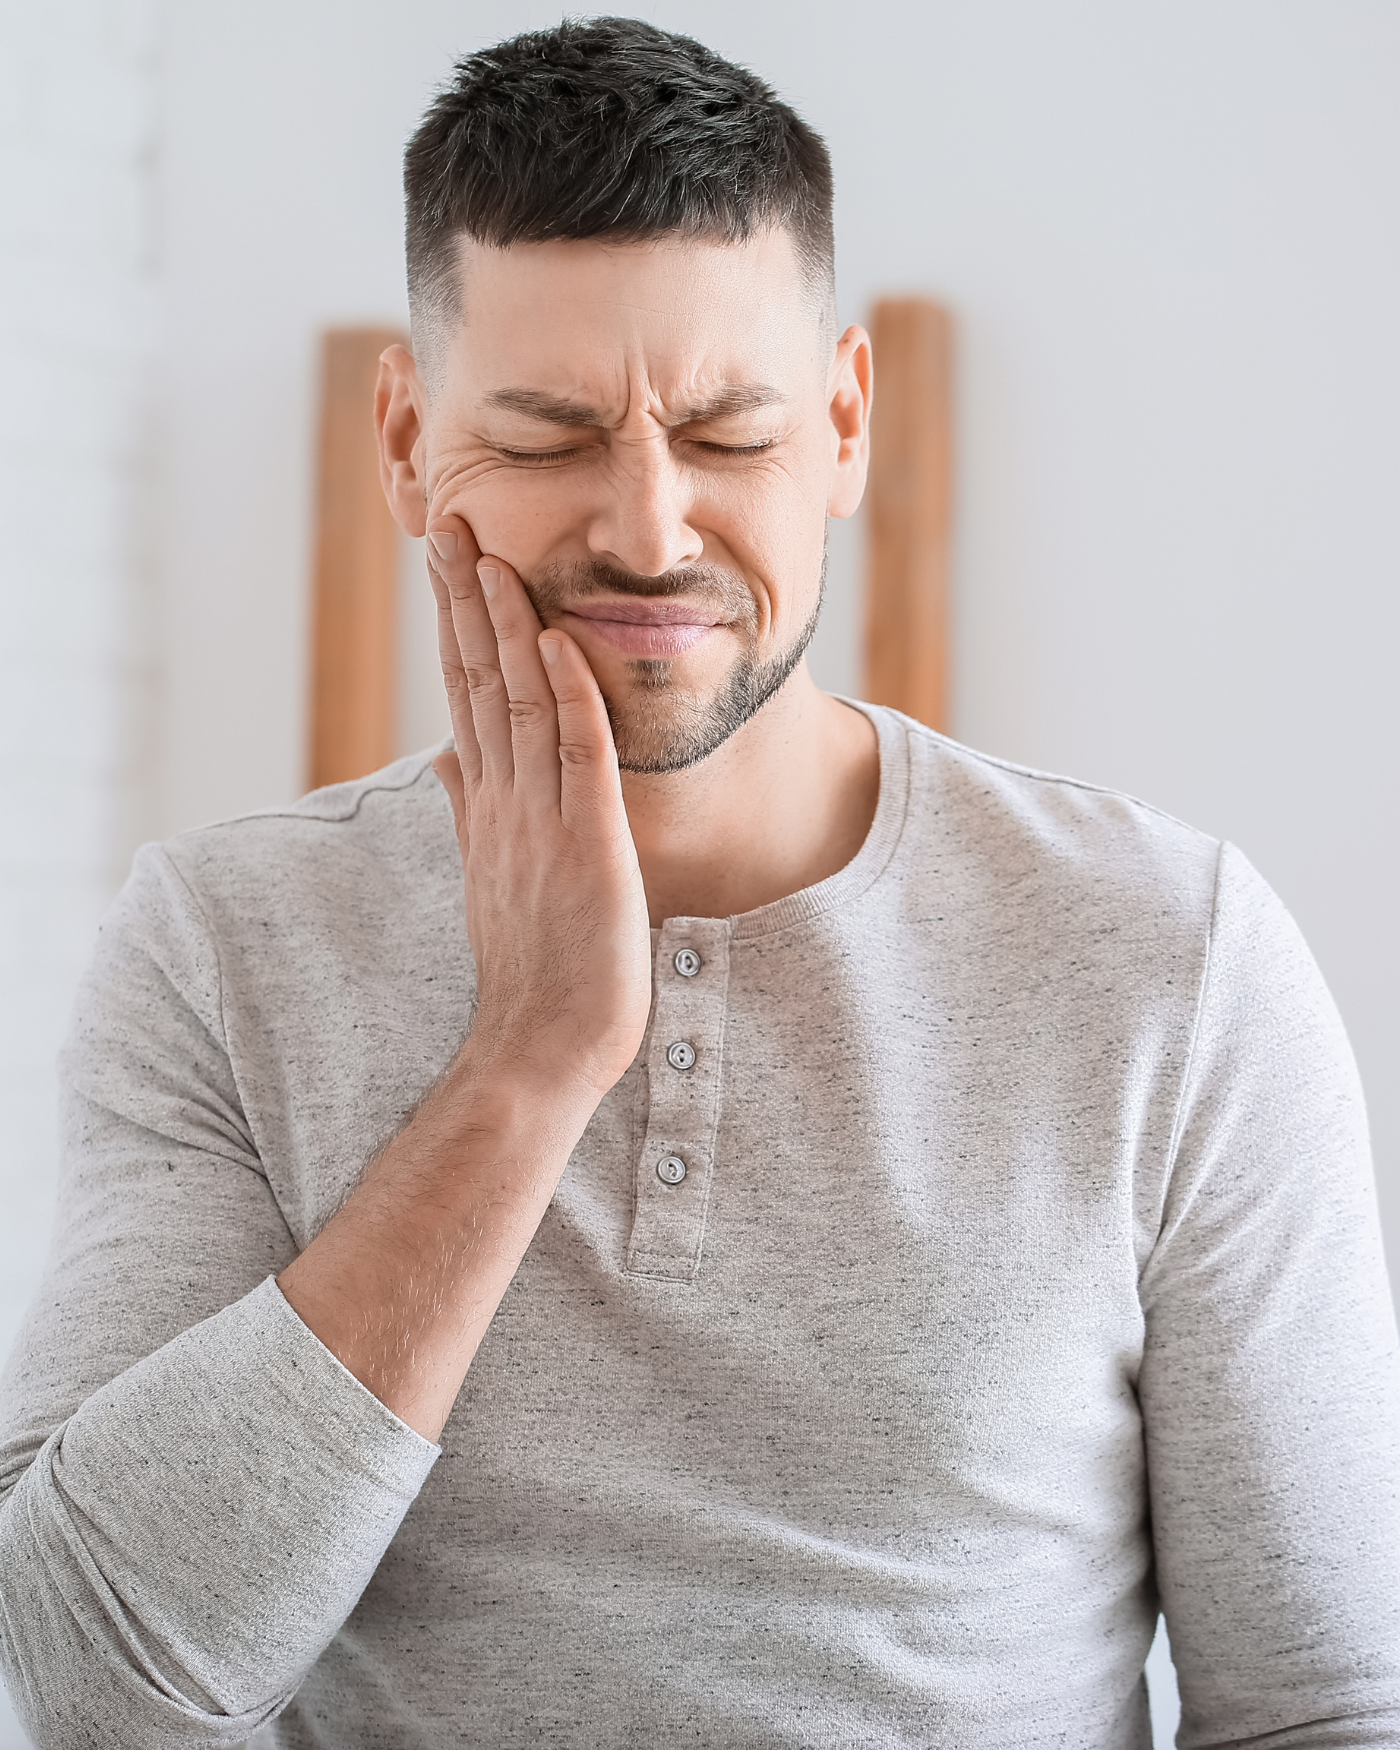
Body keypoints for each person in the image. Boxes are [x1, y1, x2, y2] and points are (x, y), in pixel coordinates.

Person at [2, 16, 1398, 1747]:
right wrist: (529, 1056)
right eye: (546, 438)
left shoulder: (1171, 954)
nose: (650, 530)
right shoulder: (222, 946)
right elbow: (97, 1678)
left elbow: (1319, 1709)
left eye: (730, 432)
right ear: (406, 439)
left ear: (846, 423)